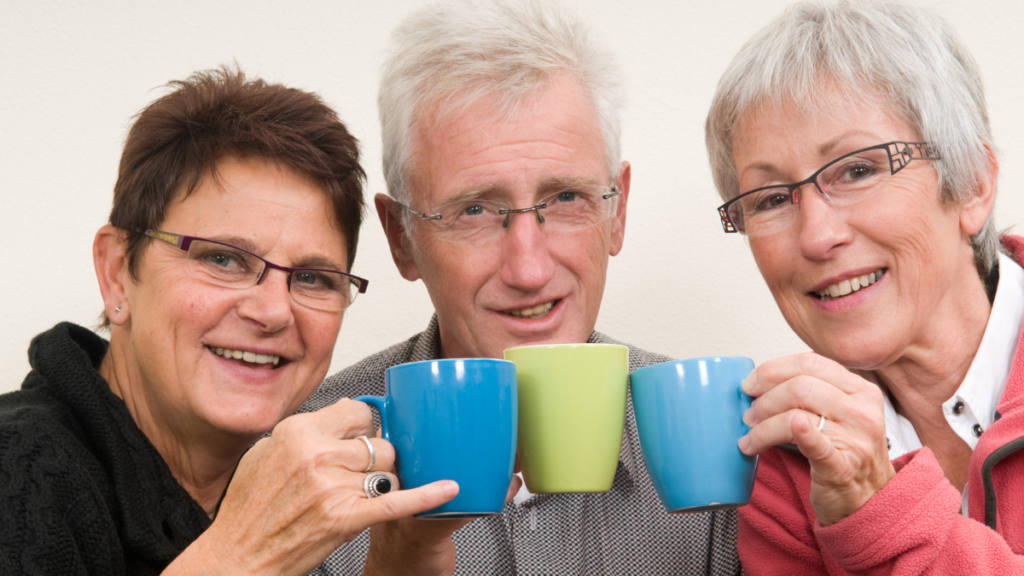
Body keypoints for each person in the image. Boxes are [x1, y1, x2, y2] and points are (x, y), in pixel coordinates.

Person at [298, 1, 741, 575]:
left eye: (564, 199)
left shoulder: (719, 439)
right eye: (475, 210)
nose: (528, 270)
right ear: (401, 237)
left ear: (618, 211)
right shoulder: (307, 457)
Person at [0, 67, 458, 576]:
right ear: (116, 275)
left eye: (311, 277)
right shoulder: (17, 471)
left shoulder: (274, 485)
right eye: (223, 260)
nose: (273, 311)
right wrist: (243, 554)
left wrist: (406, 553)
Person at [704, 1, 1024, 573]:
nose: (817, 237)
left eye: (857, 170)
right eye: (772, 199)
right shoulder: (783, 462)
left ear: (972, 183)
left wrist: (882, 514)